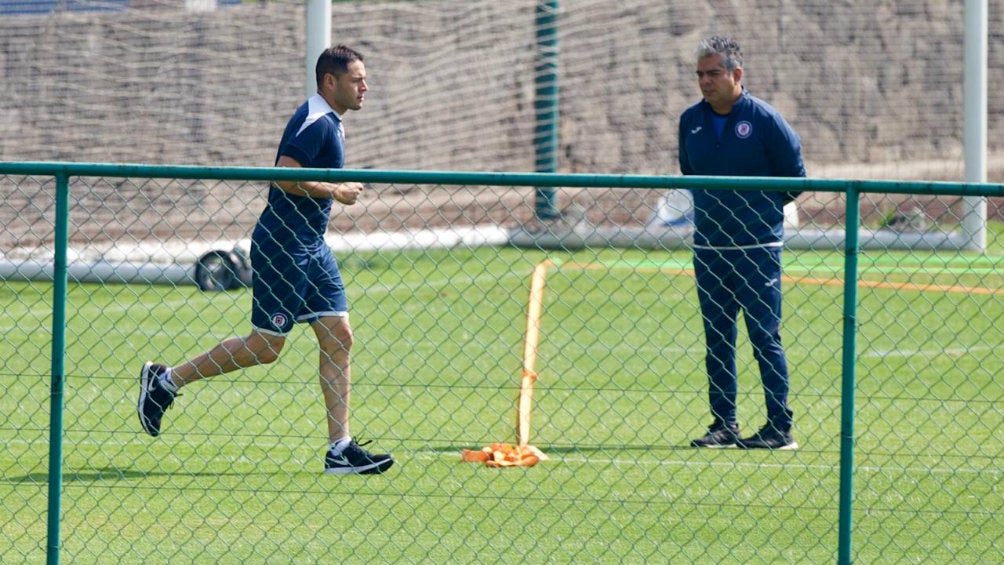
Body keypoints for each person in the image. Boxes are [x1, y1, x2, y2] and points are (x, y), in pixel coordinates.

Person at [137, 45, 394, 475]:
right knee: (266, 347)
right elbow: (282, 173)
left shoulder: (332, 121)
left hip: (312, 246)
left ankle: (340, 449)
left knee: (339, 336)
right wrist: (335, 191)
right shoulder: (314, 123)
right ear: (330, 82)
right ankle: (166, 381)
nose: (365, 86)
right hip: (283, 247)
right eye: (356, 79)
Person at [678, 35, 805, 450]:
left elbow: (795, 178)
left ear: (737, 74)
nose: (705, 81)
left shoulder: (765, 119)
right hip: (709, 248)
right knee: (716, 337)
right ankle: (724, 424)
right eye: (700, 74)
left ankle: (779, 428)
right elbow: (688, 173)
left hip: (757, 249)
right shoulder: (690, 121)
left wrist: (758, 214)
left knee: (764, 337)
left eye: (713, 73)